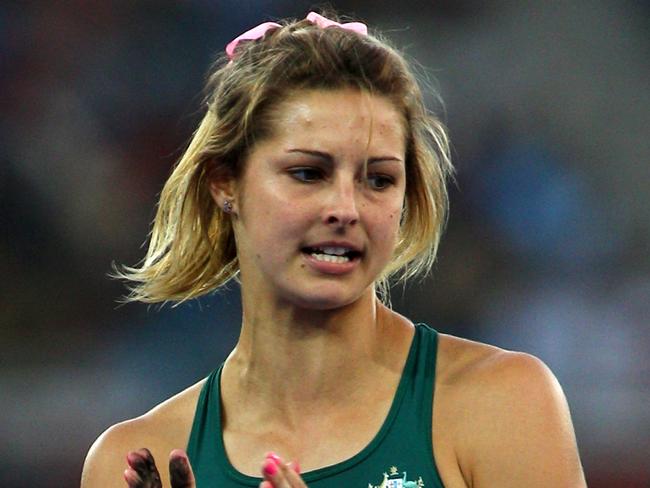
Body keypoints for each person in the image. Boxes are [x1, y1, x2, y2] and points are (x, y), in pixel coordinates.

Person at [81, 11, 587, 488]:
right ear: (224, 181)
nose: (347, 208)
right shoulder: (133, 457)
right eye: (308, 173)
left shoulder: (502, 405)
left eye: (379, 179)